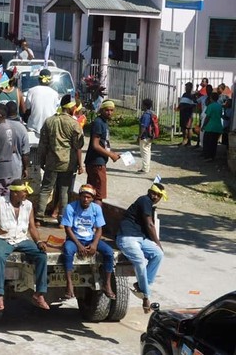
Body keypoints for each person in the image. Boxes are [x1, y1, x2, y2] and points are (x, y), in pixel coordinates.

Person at [0, 179, 50, 311]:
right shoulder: (0, 202)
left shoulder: (28, 205)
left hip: (21, 239)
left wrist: (38, 241)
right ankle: (0, 296)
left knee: (42, 256)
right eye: (23, 192)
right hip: (4, 239)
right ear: (14, 193)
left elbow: (32, 227)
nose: (26, 194)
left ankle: (39, 294)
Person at [116, 183, 166, 314]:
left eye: (159, 196)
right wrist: (158, 242)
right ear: (150, 192)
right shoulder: (144, 200)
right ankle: (146, 297)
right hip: (126, 237)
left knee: (158, 254)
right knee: (140, 262)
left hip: (140, 238)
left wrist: (157, 247)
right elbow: (149, 224)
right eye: (154, 194)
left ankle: (141, 286)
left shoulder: (148, 203)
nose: (156, 197)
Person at [61, 184, 115, 300]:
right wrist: (79, 245)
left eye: (89, 197)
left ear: (92, 198)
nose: (86, 199)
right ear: (79, 197)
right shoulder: (71, 207)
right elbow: (68, 228)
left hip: (90, 238)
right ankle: (69, 284)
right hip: (75, 239)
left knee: (109, 253)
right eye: (83, 197)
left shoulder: (96, 208)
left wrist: (95, 244)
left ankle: (107, 284)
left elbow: (99, 229)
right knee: (67, 251)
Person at [37, 94, 84, 223]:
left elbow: (43, 144)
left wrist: (42, 160)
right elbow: (78, 145)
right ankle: (62, 221)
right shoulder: (74, 124)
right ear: (71, 108)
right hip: (67, 163)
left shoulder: (49, 121)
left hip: (51, 162)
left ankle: (38, 218)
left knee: (46, 189)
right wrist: (80, 165)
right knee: (64, 191)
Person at [84, 99, 120, 204]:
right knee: (98, 195)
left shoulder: (104, 123)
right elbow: (95, 145)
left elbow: (103, 144)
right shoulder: (98, 123)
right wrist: (111, 155)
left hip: (98, 162)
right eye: (107, 110)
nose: (109, 112)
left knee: (92, 192)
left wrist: (113, 153)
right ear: (102, 110)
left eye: (111, 110)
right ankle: (97, 220)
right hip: (96, 163)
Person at [25, 68, 59, 144]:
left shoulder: (31, 91)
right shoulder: (55, 94)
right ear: (50, 81)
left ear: (39, 79)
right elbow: (55, 110)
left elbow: (27, 108)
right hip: (50, 128)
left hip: (33, 128)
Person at [5, 101, 30, 182]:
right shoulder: (22, 128)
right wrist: (25, 168)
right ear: (17, 112)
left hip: (0, 168)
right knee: (14, 193)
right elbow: (25, 153)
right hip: (16, 168)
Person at [202, 91, 223, 161]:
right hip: (218, 127)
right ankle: (212, 156)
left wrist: (203, 125)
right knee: (214, 143)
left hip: (210, 127)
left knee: (207, 142)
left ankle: (207, 156)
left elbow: (207, 117)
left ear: (211, 98)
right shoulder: (219, 106)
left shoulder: (210, 106)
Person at [138, 98, 154, 173]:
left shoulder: (145, 115)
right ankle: (146, 167)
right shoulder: (151, 114)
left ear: (145, 105)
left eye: (142, 104)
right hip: (150, 135)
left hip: (145, 136)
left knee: (144, 152)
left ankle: (145, 169)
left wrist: (139, 136)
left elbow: (143, 127)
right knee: (147, 152)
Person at [177, 82, 196, 147]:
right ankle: (184, 140)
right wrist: (179, 107)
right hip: (182, 113)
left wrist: (186, 107)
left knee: (188, 127)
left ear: (190, 87)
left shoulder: (192, 95)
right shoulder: (184, 94)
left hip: (188, 114)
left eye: (187, 86)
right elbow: (182, 101)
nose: (186, 88)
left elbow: (194, 104)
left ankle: (189, 142)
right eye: (185, 87)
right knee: (183, 127)